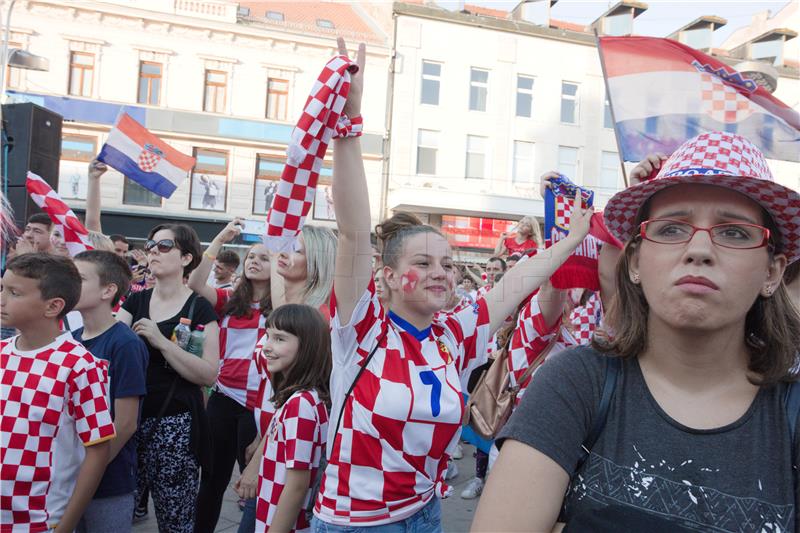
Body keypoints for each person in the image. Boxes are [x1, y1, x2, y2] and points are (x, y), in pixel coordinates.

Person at [311, 37, 592, 531]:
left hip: (426, 513)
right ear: (390, 277)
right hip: (354, 522)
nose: (443, 271)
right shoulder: (365, 328)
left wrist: (570, 241)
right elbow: (354, 230)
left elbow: (519, 282)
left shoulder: (454, 332)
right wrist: (348, 126)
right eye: (425, 262)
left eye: (448, 261)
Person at [473, 131, 800, 532]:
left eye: (733, 232)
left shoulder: (792, 411)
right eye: (670, 229)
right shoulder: (574, 384)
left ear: (773, 271)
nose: (699, 249)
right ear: (634, 264)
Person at [0, 253, 116, 532]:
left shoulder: (79, 365)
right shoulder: (2, 352)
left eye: (14, 293)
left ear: (53, 306)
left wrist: (66, 524)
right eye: (2, 288)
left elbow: (98, 449)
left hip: (40, 520)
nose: (2, 298)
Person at [116, 224, 220, 533]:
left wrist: (161, 341)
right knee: (116, 514)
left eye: (164, 246)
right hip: (128, 421)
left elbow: (207, 373)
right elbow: (110, 354)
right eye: (150, 245)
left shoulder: (198, 309)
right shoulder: (134, 302)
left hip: (174, 427)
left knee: (176, 522)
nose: (153, 252)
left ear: (186, 258)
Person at [236, 224, 337, 532]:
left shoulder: (319, 318)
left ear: (317, 262)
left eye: (296, 249)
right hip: (273, 437)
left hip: (289, 450)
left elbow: (303, 391)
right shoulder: (290, 311)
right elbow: (276, 388)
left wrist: (258, 459)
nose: (283, 253)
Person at [188, 220, 272, 533]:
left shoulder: (285, 305)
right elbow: (196, 282)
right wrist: (221, 238)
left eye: (265, 258)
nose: (255, 261)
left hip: (259, 406)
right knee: (211, 480)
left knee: (254, 485)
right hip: (223, 399)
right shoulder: (228, 299)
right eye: (252, 256)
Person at [71, 250, 149, 533]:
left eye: (78, 278)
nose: (69, 284)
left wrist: (90, 470)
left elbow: (126, 423)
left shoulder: (125, 344)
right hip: (71, 473)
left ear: (108, 290)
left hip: (109, 479)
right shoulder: (71, 341)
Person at [251, 304, 331, 533]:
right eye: (267, 336)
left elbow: (297, 485)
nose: (266, 347)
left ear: (307, 346)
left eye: (279, 339)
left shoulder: (301, 405)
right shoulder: (302, 398)